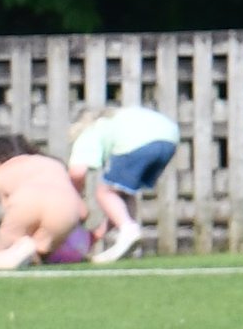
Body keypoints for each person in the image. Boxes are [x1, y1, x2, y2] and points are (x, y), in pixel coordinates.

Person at [0, 134, 88, 270]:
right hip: (65, 208)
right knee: (41, 250)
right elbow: (82, 212)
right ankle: (27, 250)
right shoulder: (54, 164)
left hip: (25, 200)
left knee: (2, 248)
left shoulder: (1, 173)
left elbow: (11, 210)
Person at [68, 105, 179, 264]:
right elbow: (118, 205)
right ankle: (129, 241)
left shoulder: (90, 129)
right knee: (123, 194)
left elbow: (77, 173)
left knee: (104, 193)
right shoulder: (116, 120)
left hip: (142, 141)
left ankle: (128, 231)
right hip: (170, 137)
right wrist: (99, 233)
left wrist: (73, 200)